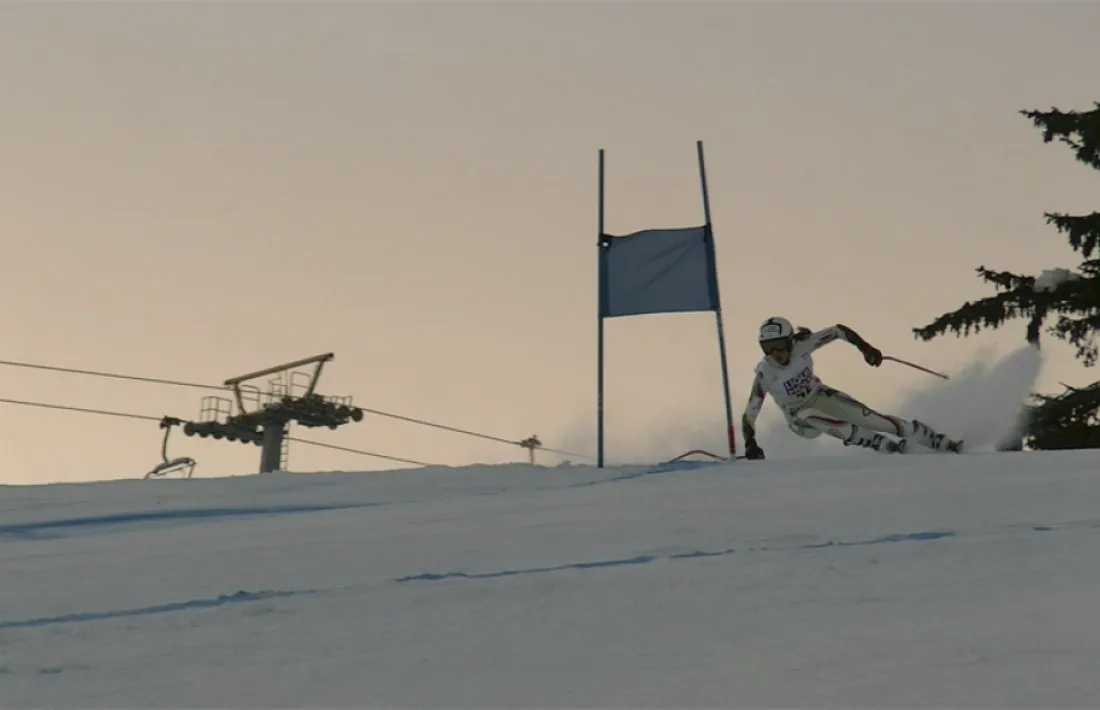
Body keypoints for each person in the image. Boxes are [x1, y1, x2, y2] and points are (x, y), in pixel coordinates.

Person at [740, 316, 962, 459]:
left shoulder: (802, 345)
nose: (775, 353)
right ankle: (876, 443)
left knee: (874, 419)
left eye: (778, 345)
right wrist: (751, 444)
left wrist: (865, 348)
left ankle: (934, 440)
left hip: (821, 396)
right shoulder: (765, 373)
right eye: (767, 348)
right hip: (799, 419)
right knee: (810, 414)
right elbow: (749, 414)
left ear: (789, 341)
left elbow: (837, 330)